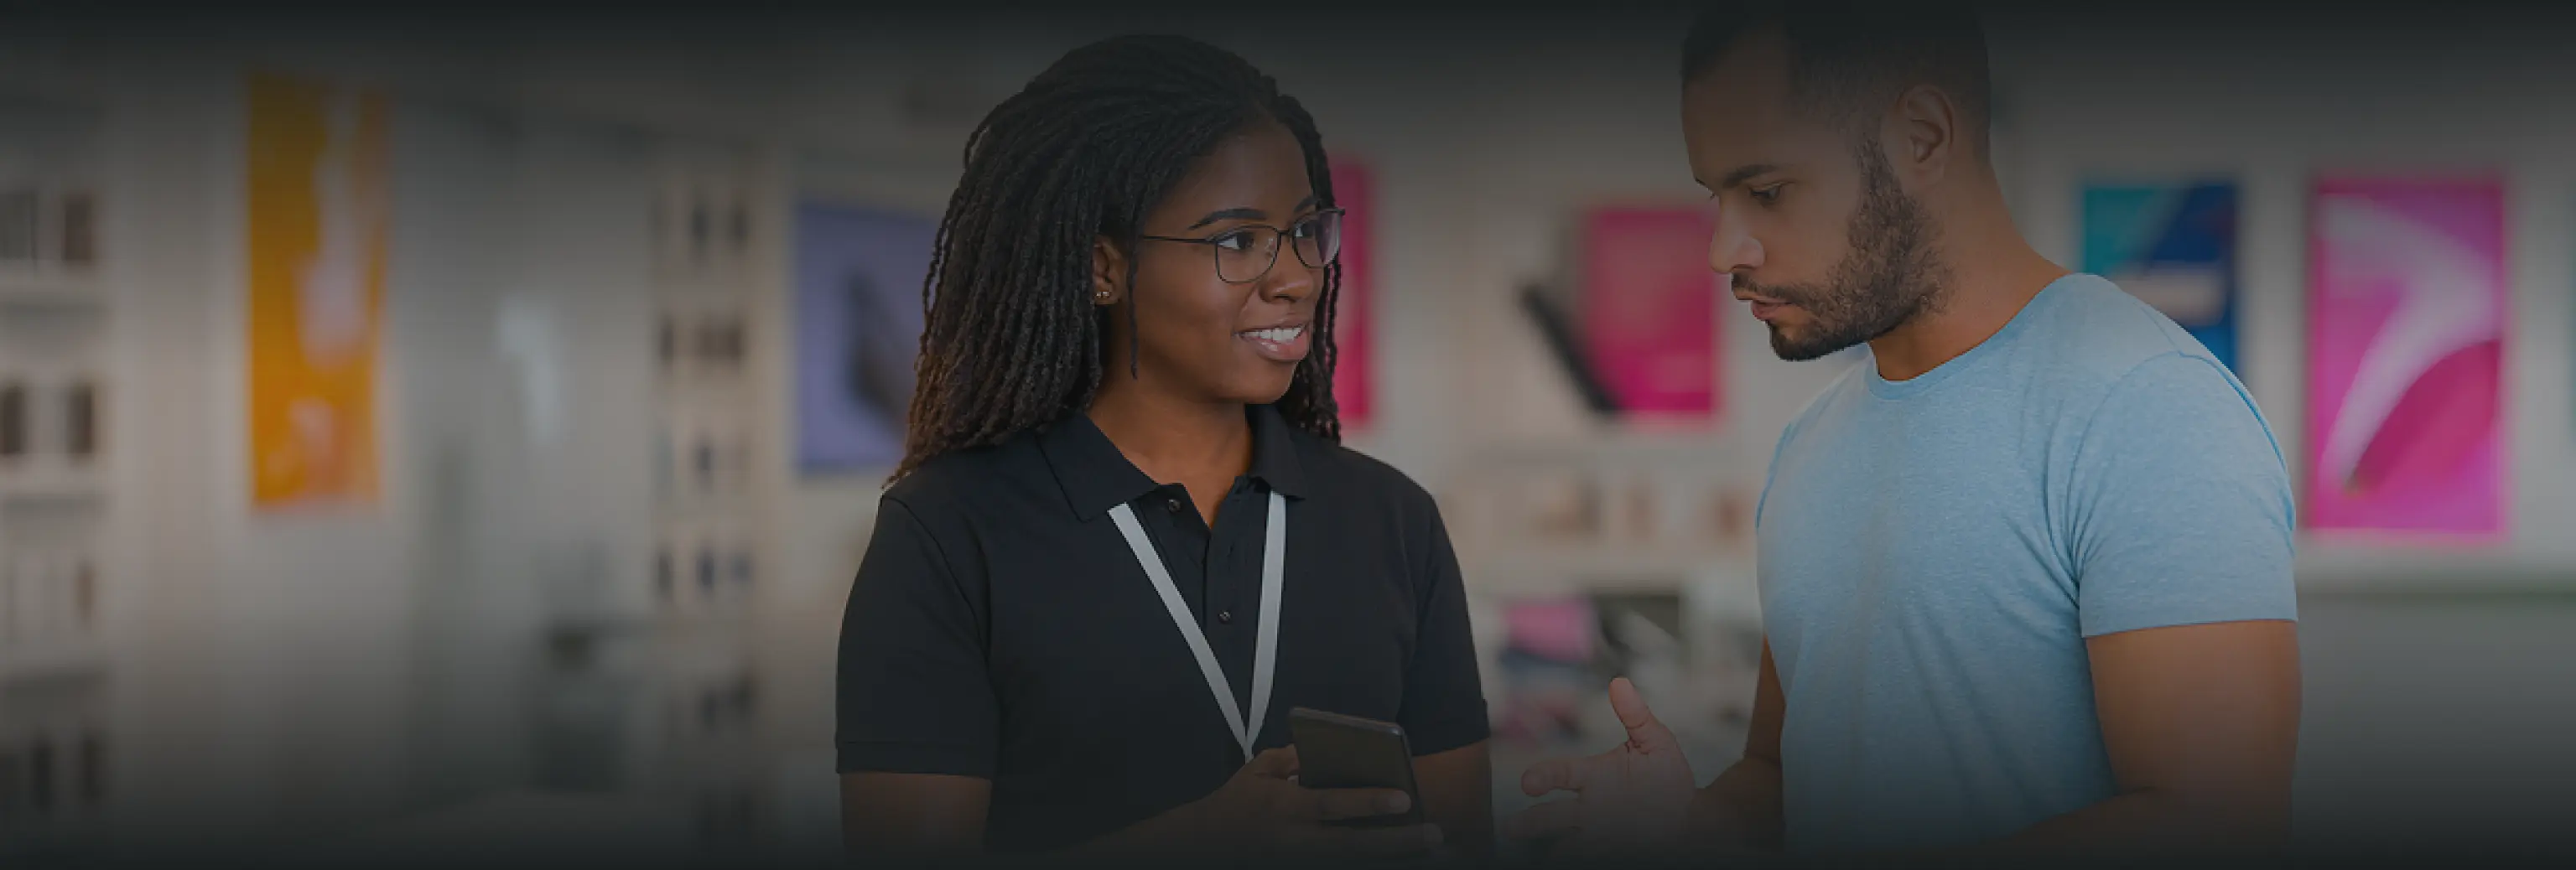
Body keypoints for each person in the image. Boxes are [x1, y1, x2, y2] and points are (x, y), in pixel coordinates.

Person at [1505, 1, 2302, 862]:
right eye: (1718, 196)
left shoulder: (2147, 407)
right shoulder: (1811, 443)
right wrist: (1692, 825)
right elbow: (1781, 779)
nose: (1724, 247)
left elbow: (2214, 822)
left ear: (1921, 138)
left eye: (1767, 191)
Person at [834, 34, 1493, 862]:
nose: (1296, 276)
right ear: (1103, 266)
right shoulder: (947, 534)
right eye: (1237, 240)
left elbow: (1466, 843)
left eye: (1304, 231)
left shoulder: (1394, 521)